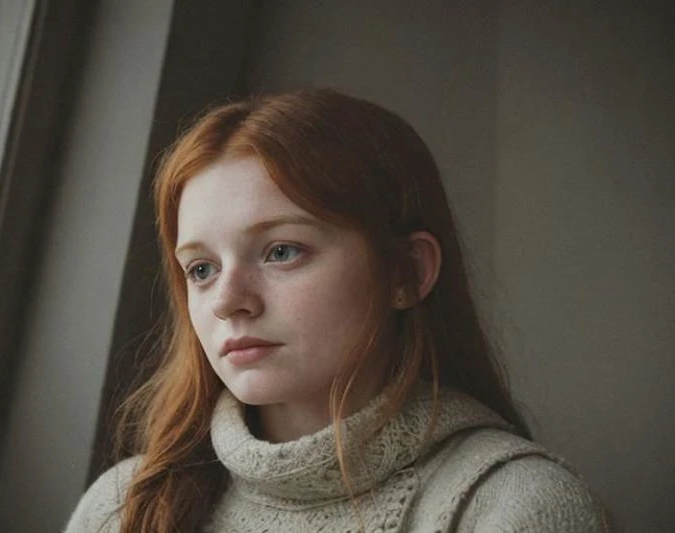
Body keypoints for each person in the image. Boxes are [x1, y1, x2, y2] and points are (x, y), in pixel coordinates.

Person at [64, 89, 610, 532]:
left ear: (406, 273)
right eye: (201, 269)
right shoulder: (123, 509)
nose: (228, 301)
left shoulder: (513, 506)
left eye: (282, 252)